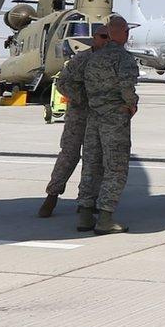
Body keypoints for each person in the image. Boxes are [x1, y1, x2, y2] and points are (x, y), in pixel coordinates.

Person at [74, 19, 139, 234]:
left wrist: (89, 103)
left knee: (91, 165)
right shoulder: (123, 58)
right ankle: (105, 218)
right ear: (123, 34)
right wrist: (131, 104)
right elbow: (126, 86)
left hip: (94, 117)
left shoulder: (93, 57)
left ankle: (84, 215)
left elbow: (76, 84)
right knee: (116, 167)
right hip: (114, 119)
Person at [38, 26, 108, 218]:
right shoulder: (81, 59)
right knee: (69, 155)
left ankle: (86, 200)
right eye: (103, 37)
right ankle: (52, 195)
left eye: (109, 37)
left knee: (94, 159)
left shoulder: (110, 60)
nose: (106, 40)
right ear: (95, 38)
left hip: (99, 116)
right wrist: (84, 99)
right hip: (79, 116)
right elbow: (62, 84)